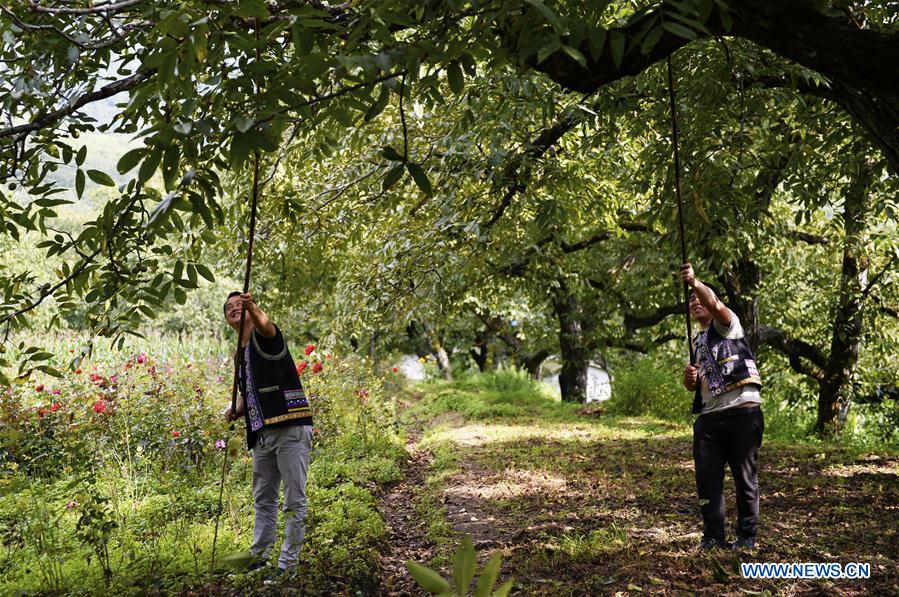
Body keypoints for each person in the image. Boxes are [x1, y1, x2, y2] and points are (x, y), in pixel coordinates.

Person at [223, 291, 313, 576]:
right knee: (263, 499)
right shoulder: (241, 353)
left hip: (289, 426)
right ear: (227, 320)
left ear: (250, 310)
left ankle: (288, 566)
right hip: (261, 434)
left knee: (294, 501)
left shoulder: (266, 337)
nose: (235, 308)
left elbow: (266, 325)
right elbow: (250, 394)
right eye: (230, 308)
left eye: (241, 305)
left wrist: (254, 307)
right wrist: (236, 409)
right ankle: (259, 557)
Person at [680, 263, 764, 551]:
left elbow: (714, 303)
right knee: (707, 479)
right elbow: (694, 386)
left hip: (742, 410)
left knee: (745, 478)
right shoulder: (697, 340)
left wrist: (694, 283)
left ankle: (746, 536)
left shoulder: (728, 324)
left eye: (698, 299)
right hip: (710, 416)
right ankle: (713, 536)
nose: (695, 303)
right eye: (691, 302)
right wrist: (689, 378)